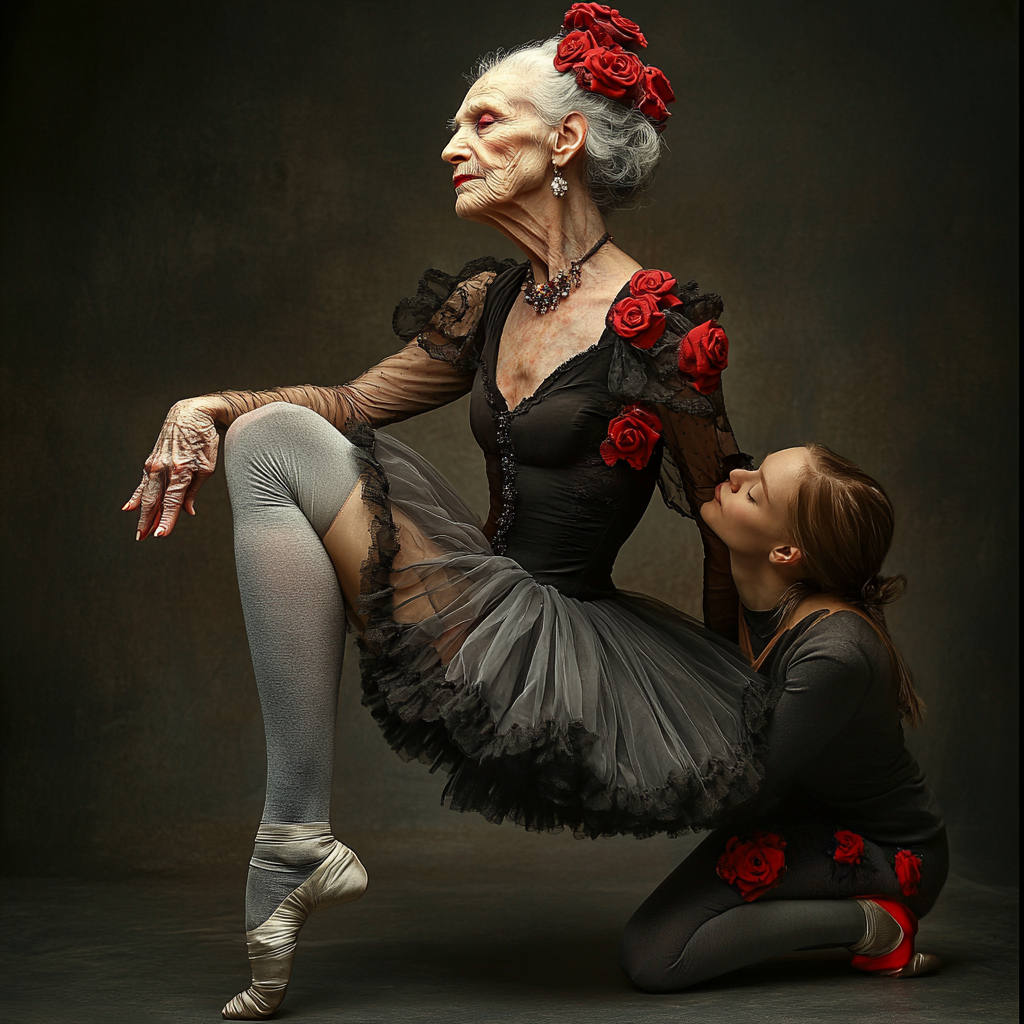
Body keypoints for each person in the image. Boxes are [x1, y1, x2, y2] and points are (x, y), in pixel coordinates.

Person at [121, 6, 869, 1018]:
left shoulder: (658, 326)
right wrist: (206, 402)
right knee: (267, 442)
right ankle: (294, 838)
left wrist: (731, 711)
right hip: (472, 603)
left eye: (481, 122)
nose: (450, 147)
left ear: (562, 142)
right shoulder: (488, 300)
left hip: (559, 648)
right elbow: (348, 406)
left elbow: (715, 510)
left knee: (268, 444)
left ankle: (292, 842)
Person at [619, 444, 947, 991]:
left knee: (656, 957)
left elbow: (744, 786)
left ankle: (877, 924)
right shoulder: (753, 589)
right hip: (791, 817)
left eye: (754, 490)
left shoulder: (835, 653)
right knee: (654, 947)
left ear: (787, 552)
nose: (738, 475)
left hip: (885, 852)